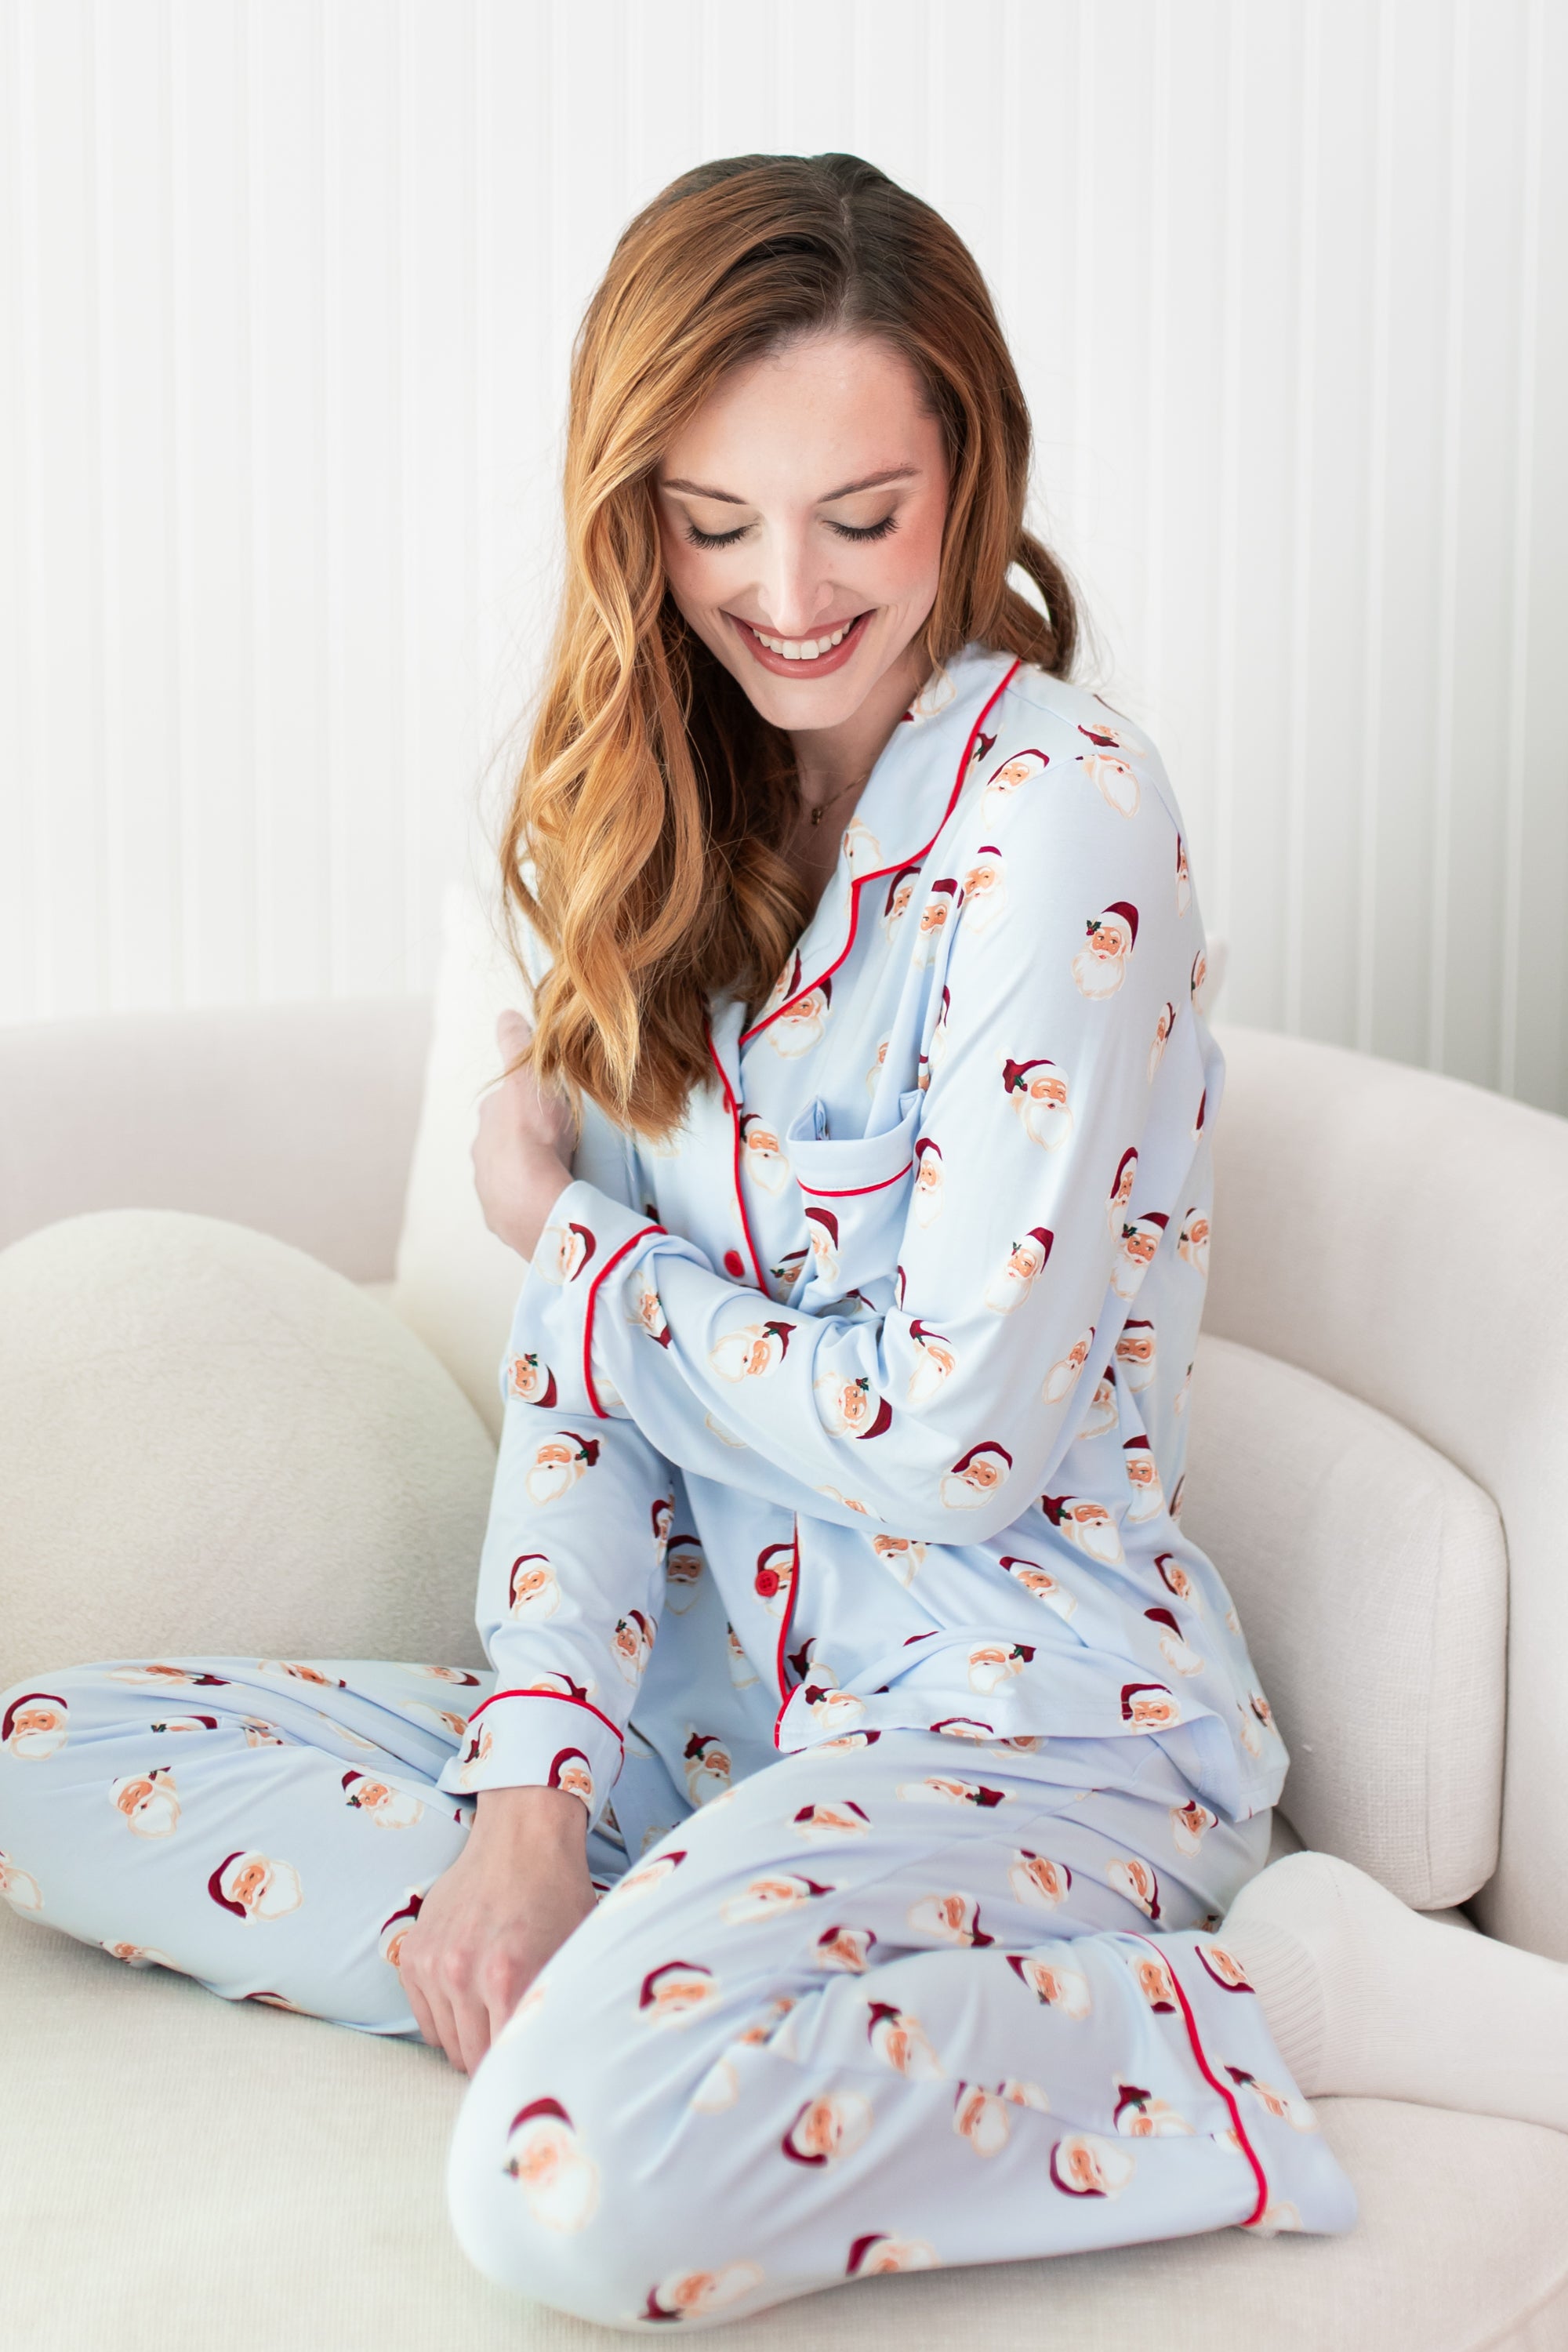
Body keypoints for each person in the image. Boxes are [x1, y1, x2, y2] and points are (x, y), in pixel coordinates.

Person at [2, 151, 1565, 2333]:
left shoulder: (1059, 815)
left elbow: (948, 1438)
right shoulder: (655, 811)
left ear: (967, 476)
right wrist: (532, 1796)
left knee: (564, 2182)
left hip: (1025, 1719)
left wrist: (575, 1252)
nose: (790, 593)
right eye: (714, 521)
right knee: (47, 1763)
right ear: (632, 512)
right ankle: (696, 1945)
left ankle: (1268, 1996)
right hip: (712, 1723)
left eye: (861, 513)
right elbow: (586, 1403)